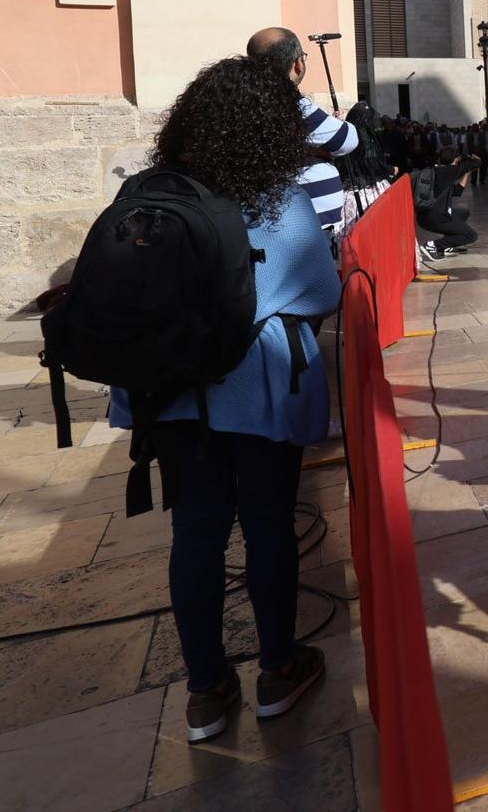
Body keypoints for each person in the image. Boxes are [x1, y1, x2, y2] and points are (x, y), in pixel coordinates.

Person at [108, 56, 334, 742]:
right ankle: (276, 670)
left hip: (174, 396)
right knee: (268, 526)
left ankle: (205, 692)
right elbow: (321, 291)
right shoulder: (278, 196)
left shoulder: (149, 194)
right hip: (260, 389)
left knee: (196, 535)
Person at [246, 27, 357, 232]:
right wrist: (313, 148)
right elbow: (347, 139)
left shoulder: (244, 100)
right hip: (304, 229)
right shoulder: (291, 103)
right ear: (297, 64)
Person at [334, 101, 398, 239]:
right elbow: (371, 163)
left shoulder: (345, 135)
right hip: (366, 191)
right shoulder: (363, 139)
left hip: (348, 192)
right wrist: (391, 169)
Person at [414, 147, 479, 259]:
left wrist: (467, 173)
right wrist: (474, 159)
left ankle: (448, 244)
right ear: (456, 159)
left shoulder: (440, 172)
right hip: (436, 219)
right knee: (471, 236)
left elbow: (458, 191)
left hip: (427, 217)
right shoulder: (447, 171)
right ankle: (432, 246)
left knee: (463, 213)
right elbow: (475, 163)